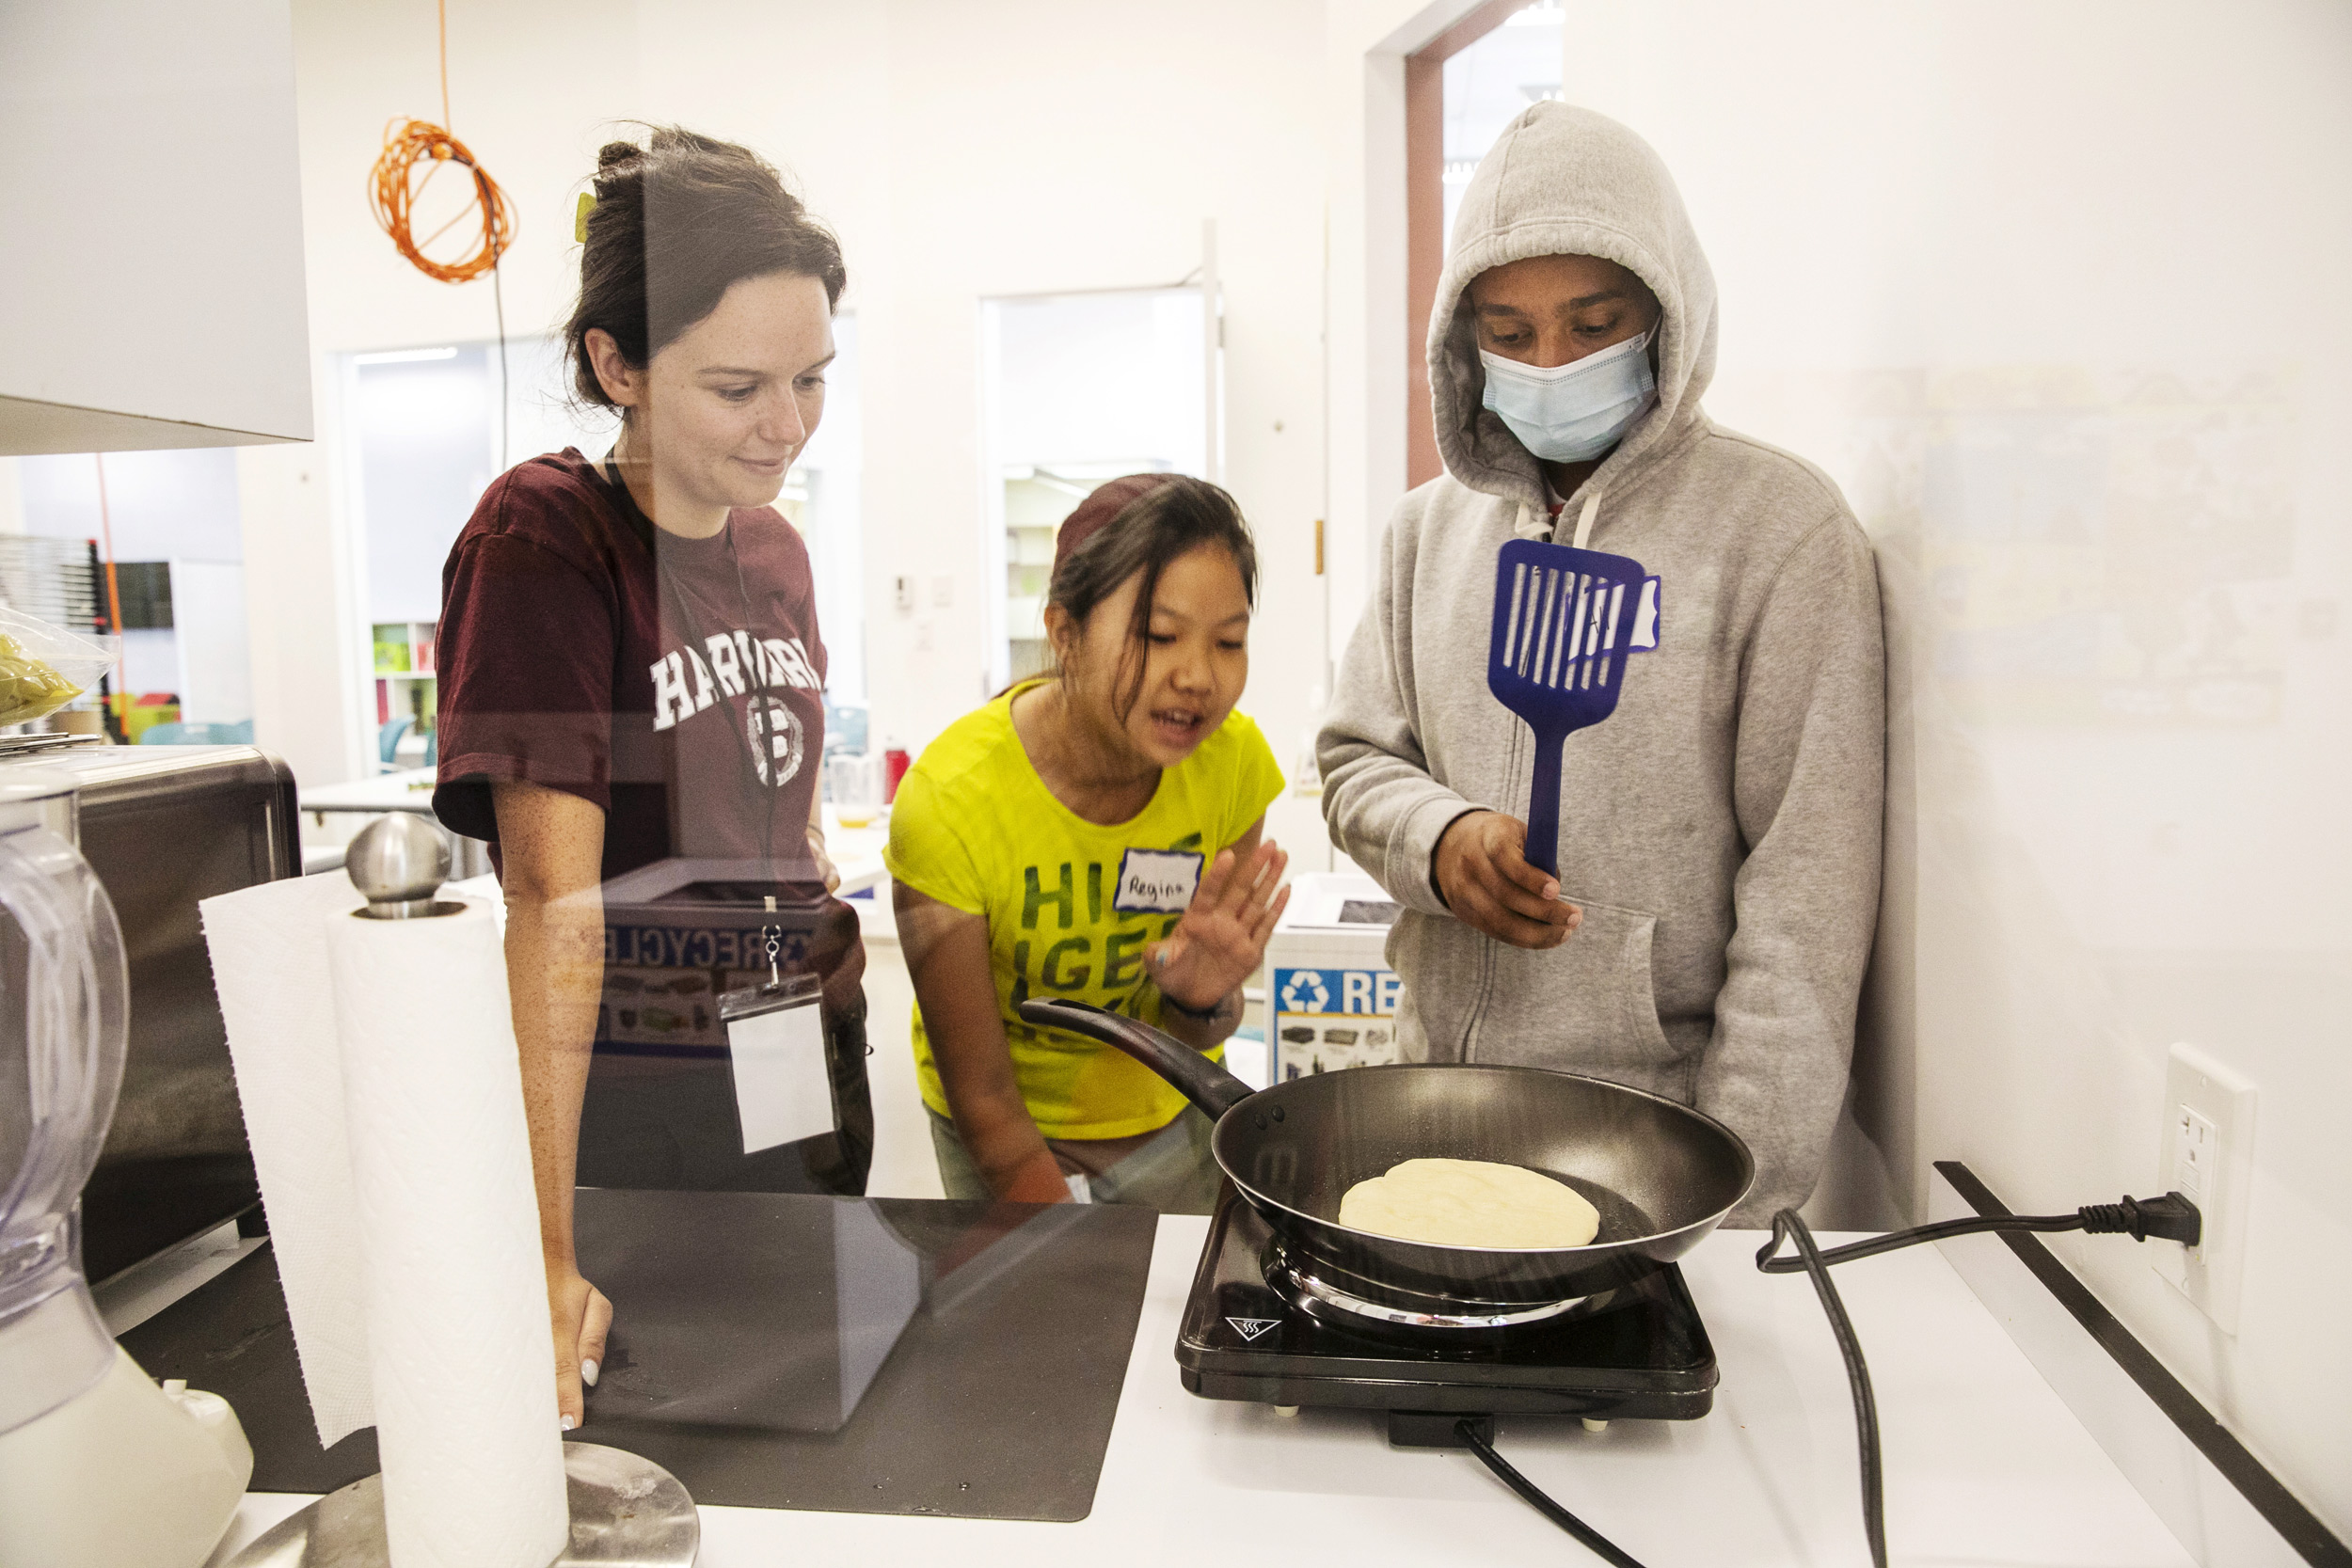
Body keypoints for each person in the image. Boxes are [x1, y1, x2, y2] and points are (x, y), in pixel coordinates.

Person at [1319, 103, 1884, 1223]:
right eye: (1510, 333)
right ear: (1462, 342)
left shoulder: (1780, 532)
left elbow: (1803, 906)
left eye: (1592, 323)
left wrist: (1732, 1200)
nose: (1550, 364)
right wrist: (1440, 839)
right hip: (1434, 1119)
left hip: (1653, 1148)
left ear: (1665, 312)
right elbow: (1352, 764)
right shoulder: (1425, 534)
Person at [431, 127, 866, 1428]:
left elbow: (761, 788)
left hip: (794, 1065)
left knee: (823, 1428)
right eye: (739, 387)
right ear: (615, 364)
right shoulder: (546, 538)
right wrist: (543, 1246)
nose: (786, 426)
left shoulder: (775, 549)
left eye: (812, 379)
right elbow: (549, 904)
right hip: (633, 1108)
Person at [887, 475, 1289, 1212]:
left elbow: (1198, 1033)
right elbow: (982, 1096)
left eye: (1228, 641)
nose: (1198, 675)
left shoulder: (1230, 766)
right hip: (1005, 1128)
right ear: (1065, 632)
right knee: (1052, 1315)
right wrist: (1067, 1246)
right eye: (1159, 635)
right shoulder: (949, 801)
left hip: (1169, 1113)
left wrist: (1201, 1000)